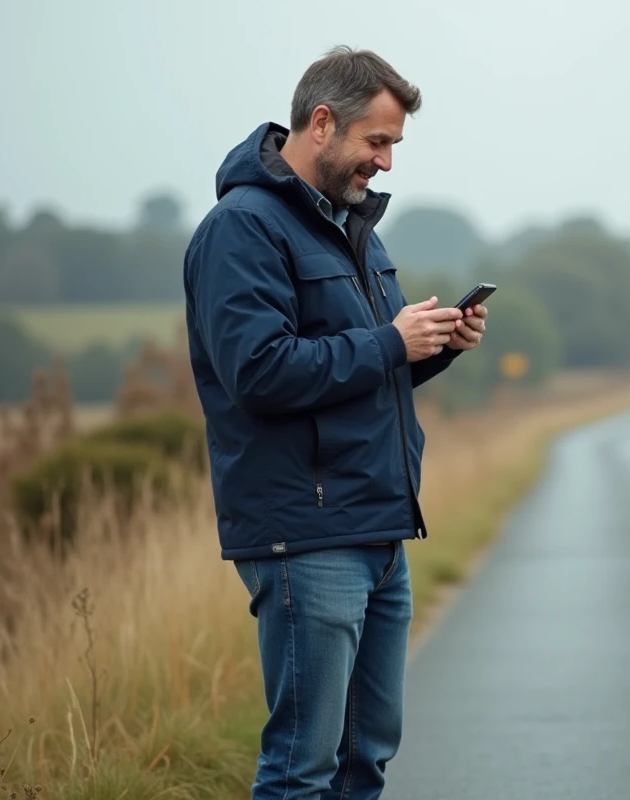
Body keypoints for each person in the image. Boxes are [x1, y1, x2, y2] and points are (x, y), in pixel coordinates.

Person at [182, 46, 488, 800]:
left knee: (364, 763)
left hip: (380, 532)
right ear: (322, 123)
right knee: (301, 769)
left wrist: (433, 347)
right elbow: (259, 371)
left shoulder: (353, 227)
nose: (385, 163)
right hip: (307, 538)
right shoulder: (242, 230)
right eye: (376, 142)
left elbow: (364, 370)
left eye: (393, 146)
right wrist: (390, 341)